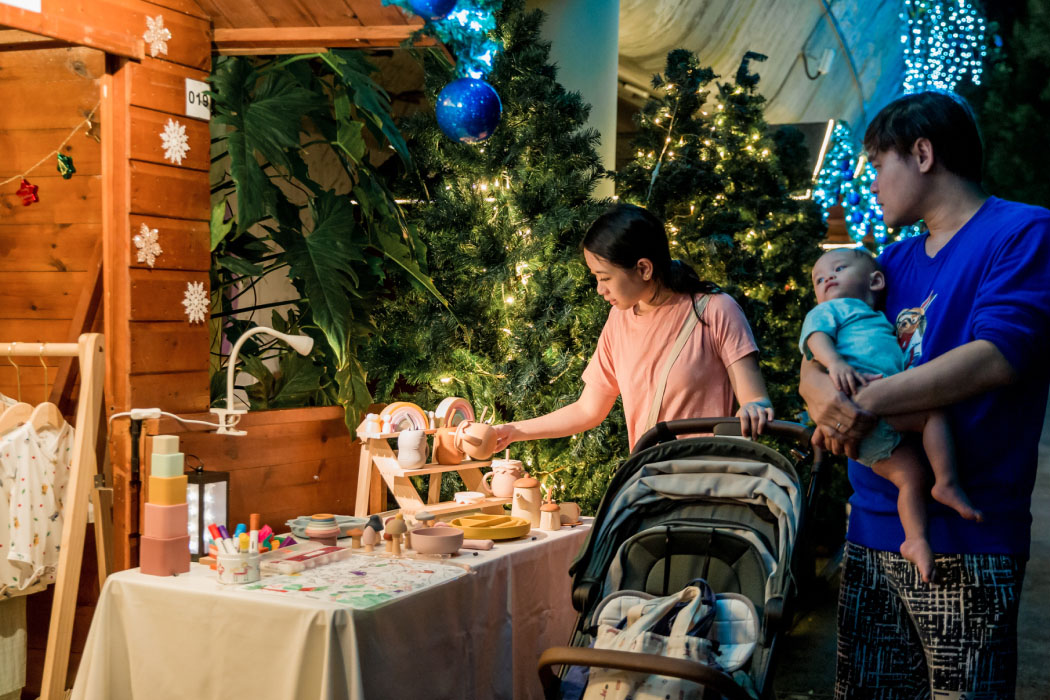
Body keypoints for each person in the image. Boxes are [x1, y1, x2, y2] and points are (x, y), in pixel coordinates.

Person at [799, 91, 1050, 698]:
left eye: (877, 165)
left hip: (969, 535)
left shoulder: (1023, 231)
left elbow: (997, 356)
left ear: (922, 153)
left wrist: (856, 406)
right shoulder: (891, 260)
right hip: (871, 525)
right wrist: (816, 394)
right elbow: (822, 344)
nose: (872, 183)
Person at [493, 203, 774, 455]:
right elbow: (588, 409)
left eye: (605, 278)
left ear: (643, 269)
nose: (600, 289)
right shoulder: (619, 320)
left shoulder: (716, 310)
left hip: (707, 483)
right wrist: (513, 431)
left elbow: (756, 400)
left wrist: (755, 408)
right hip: (650, 481)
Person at [800, 247, 980, 583]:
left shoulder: (878, 317)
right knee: (932, 415)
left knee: (911, 478)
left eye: (838, 269)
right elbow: (815, 338)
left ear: (875, 281)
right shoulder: (831, 311)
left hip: (884, 411)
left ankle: (916, 539)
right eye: (819, 279)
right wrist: (834, 363)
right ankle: (947, 482)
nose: (828, 279)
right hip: (856, 408)